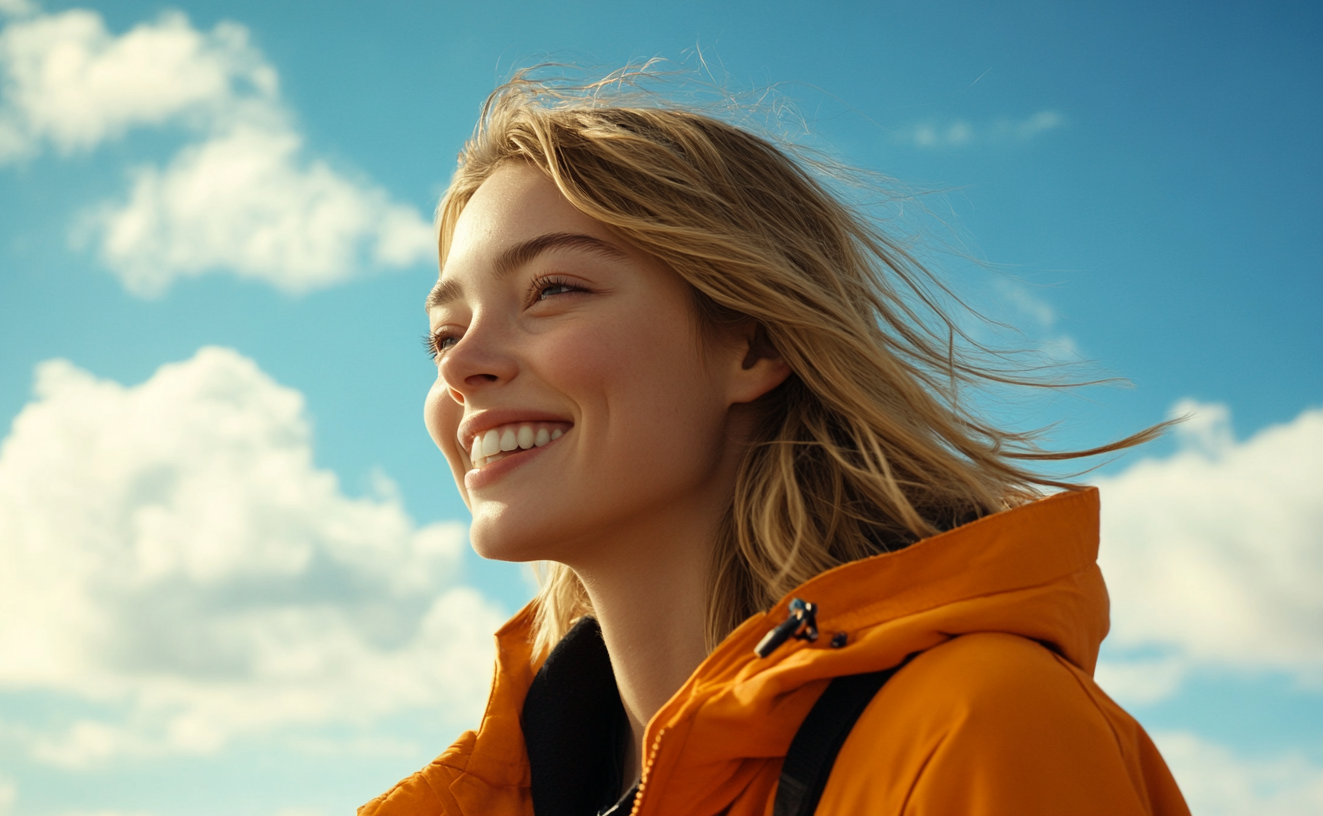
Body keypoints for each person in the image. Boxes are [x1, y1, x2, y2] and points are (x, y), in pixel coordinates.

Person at [361, 70, 1191, 816]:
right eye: (443, 334)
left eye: (552, 290)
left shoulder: (981, 727)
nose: (463, 366)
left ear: (753, 345)